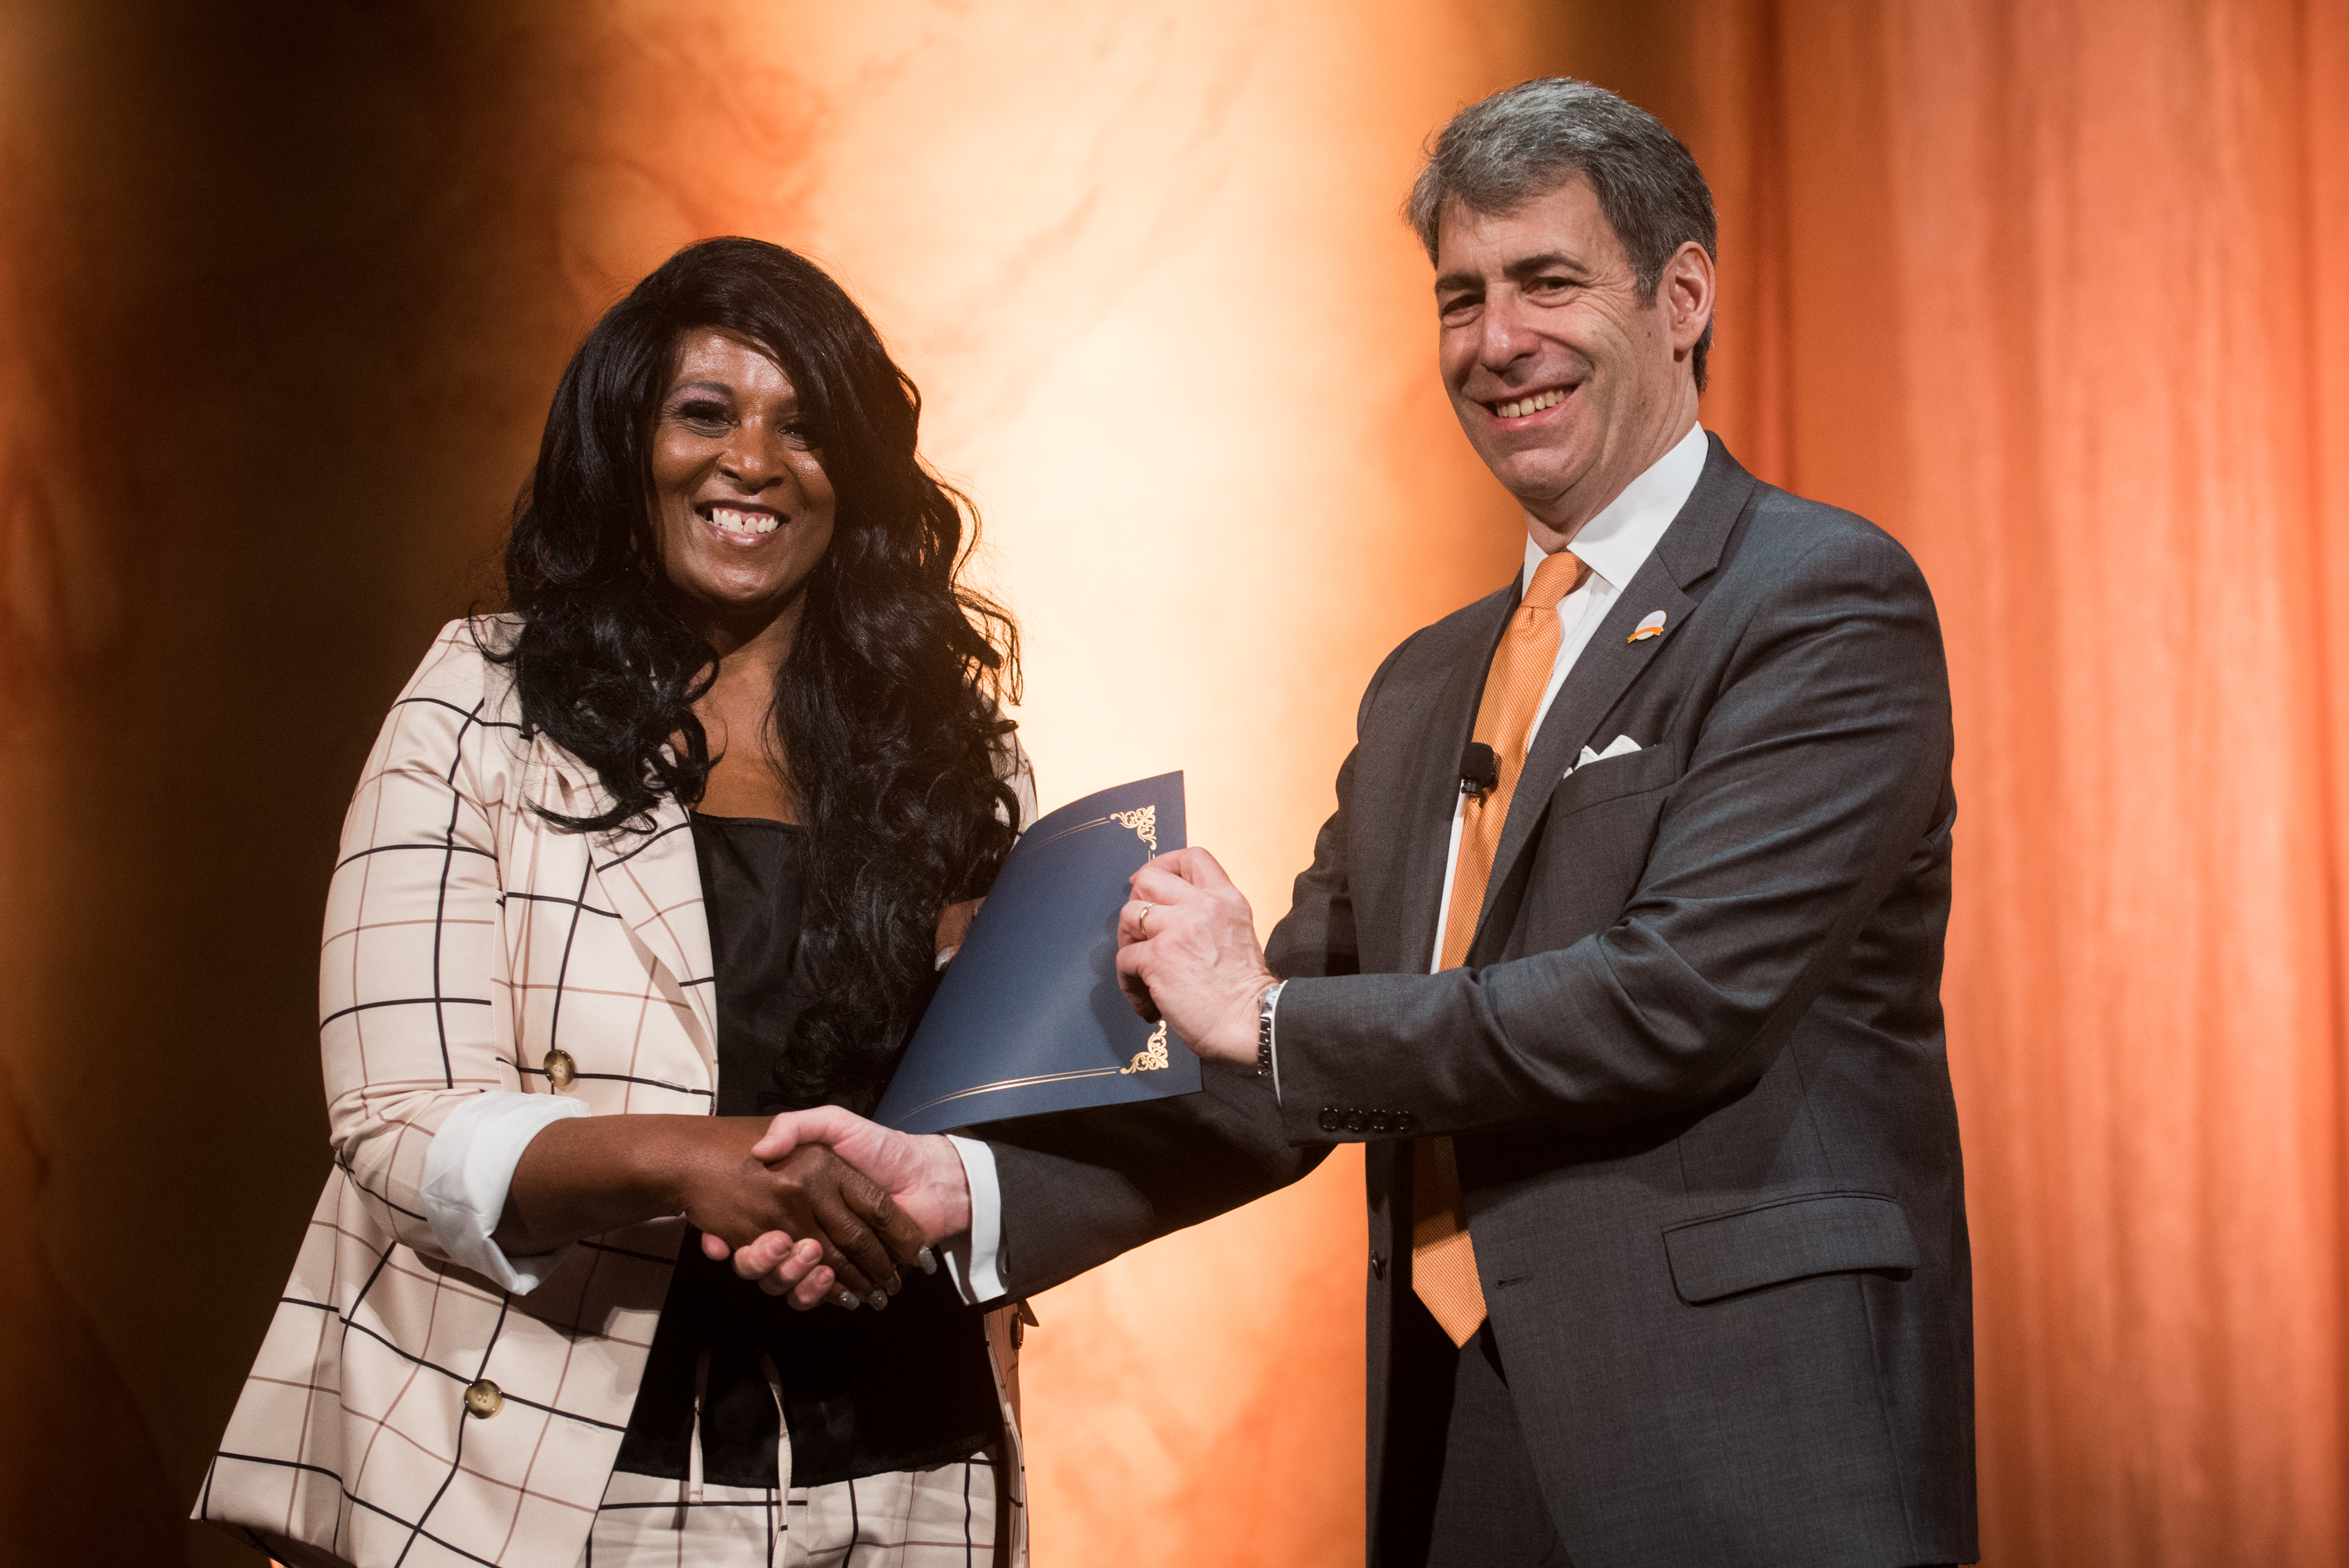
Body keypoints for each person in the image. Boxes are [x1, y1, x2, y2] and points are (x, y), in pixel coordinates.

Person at [757, 78, 1976, 1567]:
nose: (1495, 342)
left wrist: (1263, 1019)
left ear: (1678, 297)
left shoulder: (1817, 600)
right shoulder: (1420, 687)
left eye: (1546, 282)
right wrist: (971, 1187)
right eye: (1459, 297)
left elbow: (1674, 1001)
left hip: (1749, 1435)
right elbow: (1284, 1064)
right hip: (1457, 1430)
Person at [198, 237, 1042, 1567]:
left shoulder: (954, 751)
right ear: (624, 443)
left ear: (858, 477)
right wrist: (689, 1162)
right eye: (705, 414)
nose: (752, 461)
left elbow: (986, 1126)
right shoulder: (481, 704)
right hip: (573, 1476)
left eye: (805, 428)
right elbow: (394, 1122)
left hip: (915, 1472)